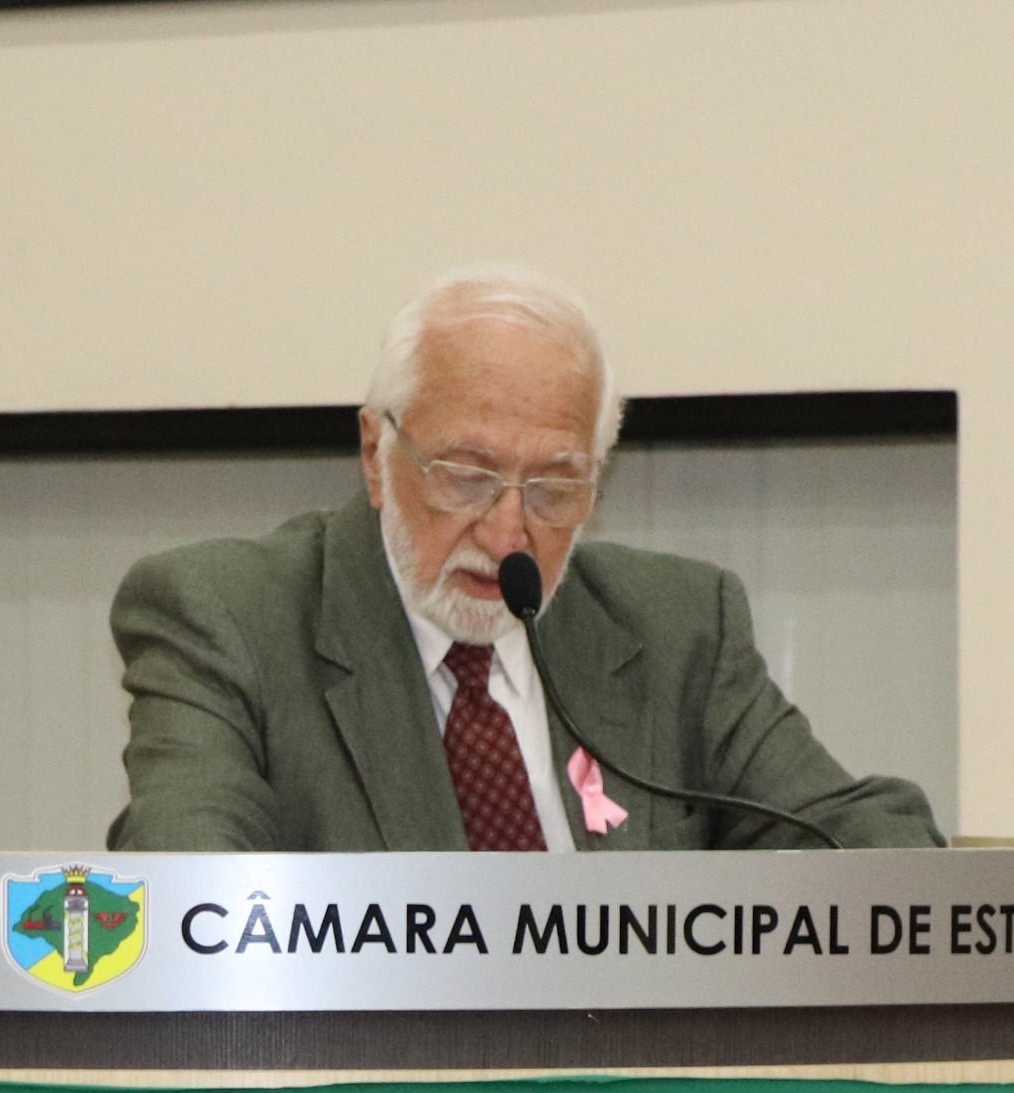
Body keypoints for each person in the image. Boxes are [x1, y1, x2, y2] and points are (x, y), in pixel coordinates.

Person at [107, 266, 940, 855]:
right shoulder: (226, 619)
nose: (508, 533)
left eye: (553, 487)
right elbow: (191, 884)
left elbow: (865, 838)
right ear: (375, 454)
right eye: (466, 477)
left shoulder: (677, 629)